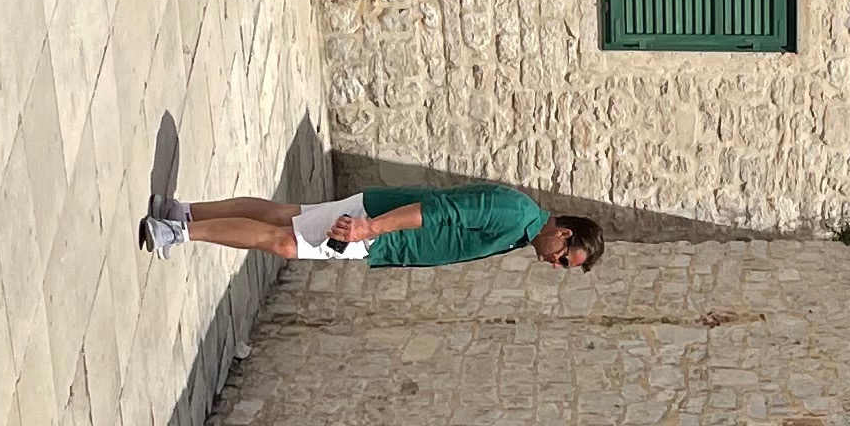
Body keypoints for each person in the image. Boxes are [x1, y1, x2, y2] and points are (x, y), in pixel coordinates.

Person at [141, 177, 600, 271]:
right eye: (565, 258)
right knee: (283, 241)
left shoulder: (521, 231)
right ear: (562, 233)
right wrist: (370, 229)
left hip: (382, 230)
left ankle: (183, 213)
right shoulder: (515, 214)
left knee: (284, 216)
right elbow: (438, 212)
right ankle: (178, 231)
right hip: (380, 230)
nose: (556, 264)